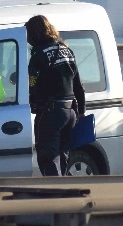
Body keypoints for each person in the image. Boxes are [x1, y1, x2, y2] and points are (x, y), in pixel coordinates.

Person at [25, 15, 86, 177]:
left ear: (34, 34)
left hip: (51, 113)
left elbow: (32, 85)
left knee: (48, 158)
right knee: (64, 156)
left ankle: (55, 195)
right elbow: (78, 86)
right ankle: (64, 192)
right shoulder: (66, 50)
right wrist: (81, 112)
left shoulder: (39, 55)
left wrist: (34, 104)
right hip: (71, 112)